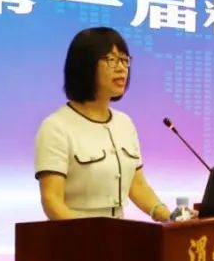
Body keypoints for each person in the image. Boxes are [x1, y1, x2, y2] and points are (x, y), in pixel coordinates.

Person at [34, 27, 172, 221]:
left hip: (120, 234)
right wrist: (90, 235)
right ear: (85, 65)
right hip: (77, 235)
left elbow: (137, 185)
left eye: (124, 60)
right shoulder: (56, 127)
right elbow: (52, 201)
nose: (121, 68)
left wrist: (170, 217)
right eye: (111, 59)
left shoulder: (125, 123)